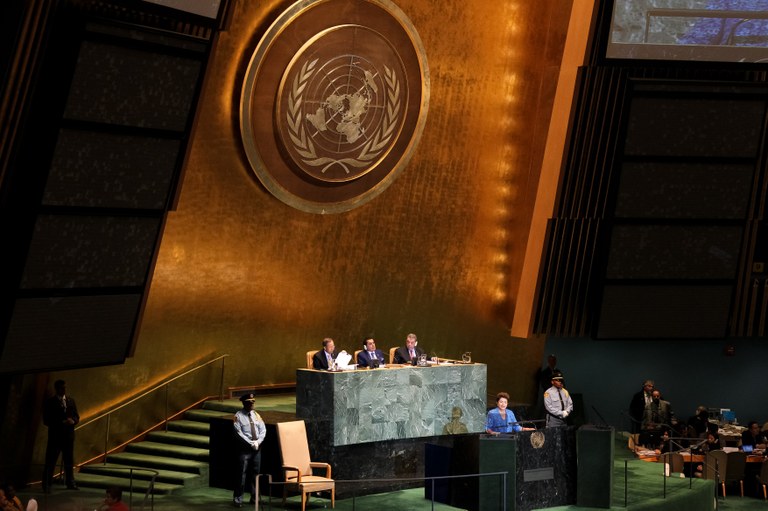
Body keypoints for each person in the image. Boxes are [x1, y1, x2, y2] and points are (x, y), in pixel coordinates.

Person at [42, 379, 80, 492]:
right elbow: (46, 420)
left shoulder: (70, 401)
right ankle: (47, 484)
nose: (64, 390)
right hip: (55, 437)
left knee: (69, 461)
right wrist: (61, 422)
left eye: (65, 388)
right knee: (51, 461)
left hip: (68, 436)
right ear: (57, 389)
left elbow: (77, 416)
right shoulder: (50, 402)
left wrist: (73, 421)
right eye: (62, 388)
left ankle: (70, 482)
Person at [233, 393, 266, 508]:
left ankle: (254, 498)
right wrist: (250, 443)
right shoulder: (238, 416)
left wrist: (258, 441)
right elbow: (238, 433)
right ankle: (238, 499)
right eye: (249, 402)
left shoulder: (256, 415)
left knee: (256, 474)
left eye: (253, 402)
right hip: (245, 449)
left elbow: (263, 429)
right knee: (241, 475)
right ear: (244, 403)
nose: (252, 404)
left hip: (257, 448)